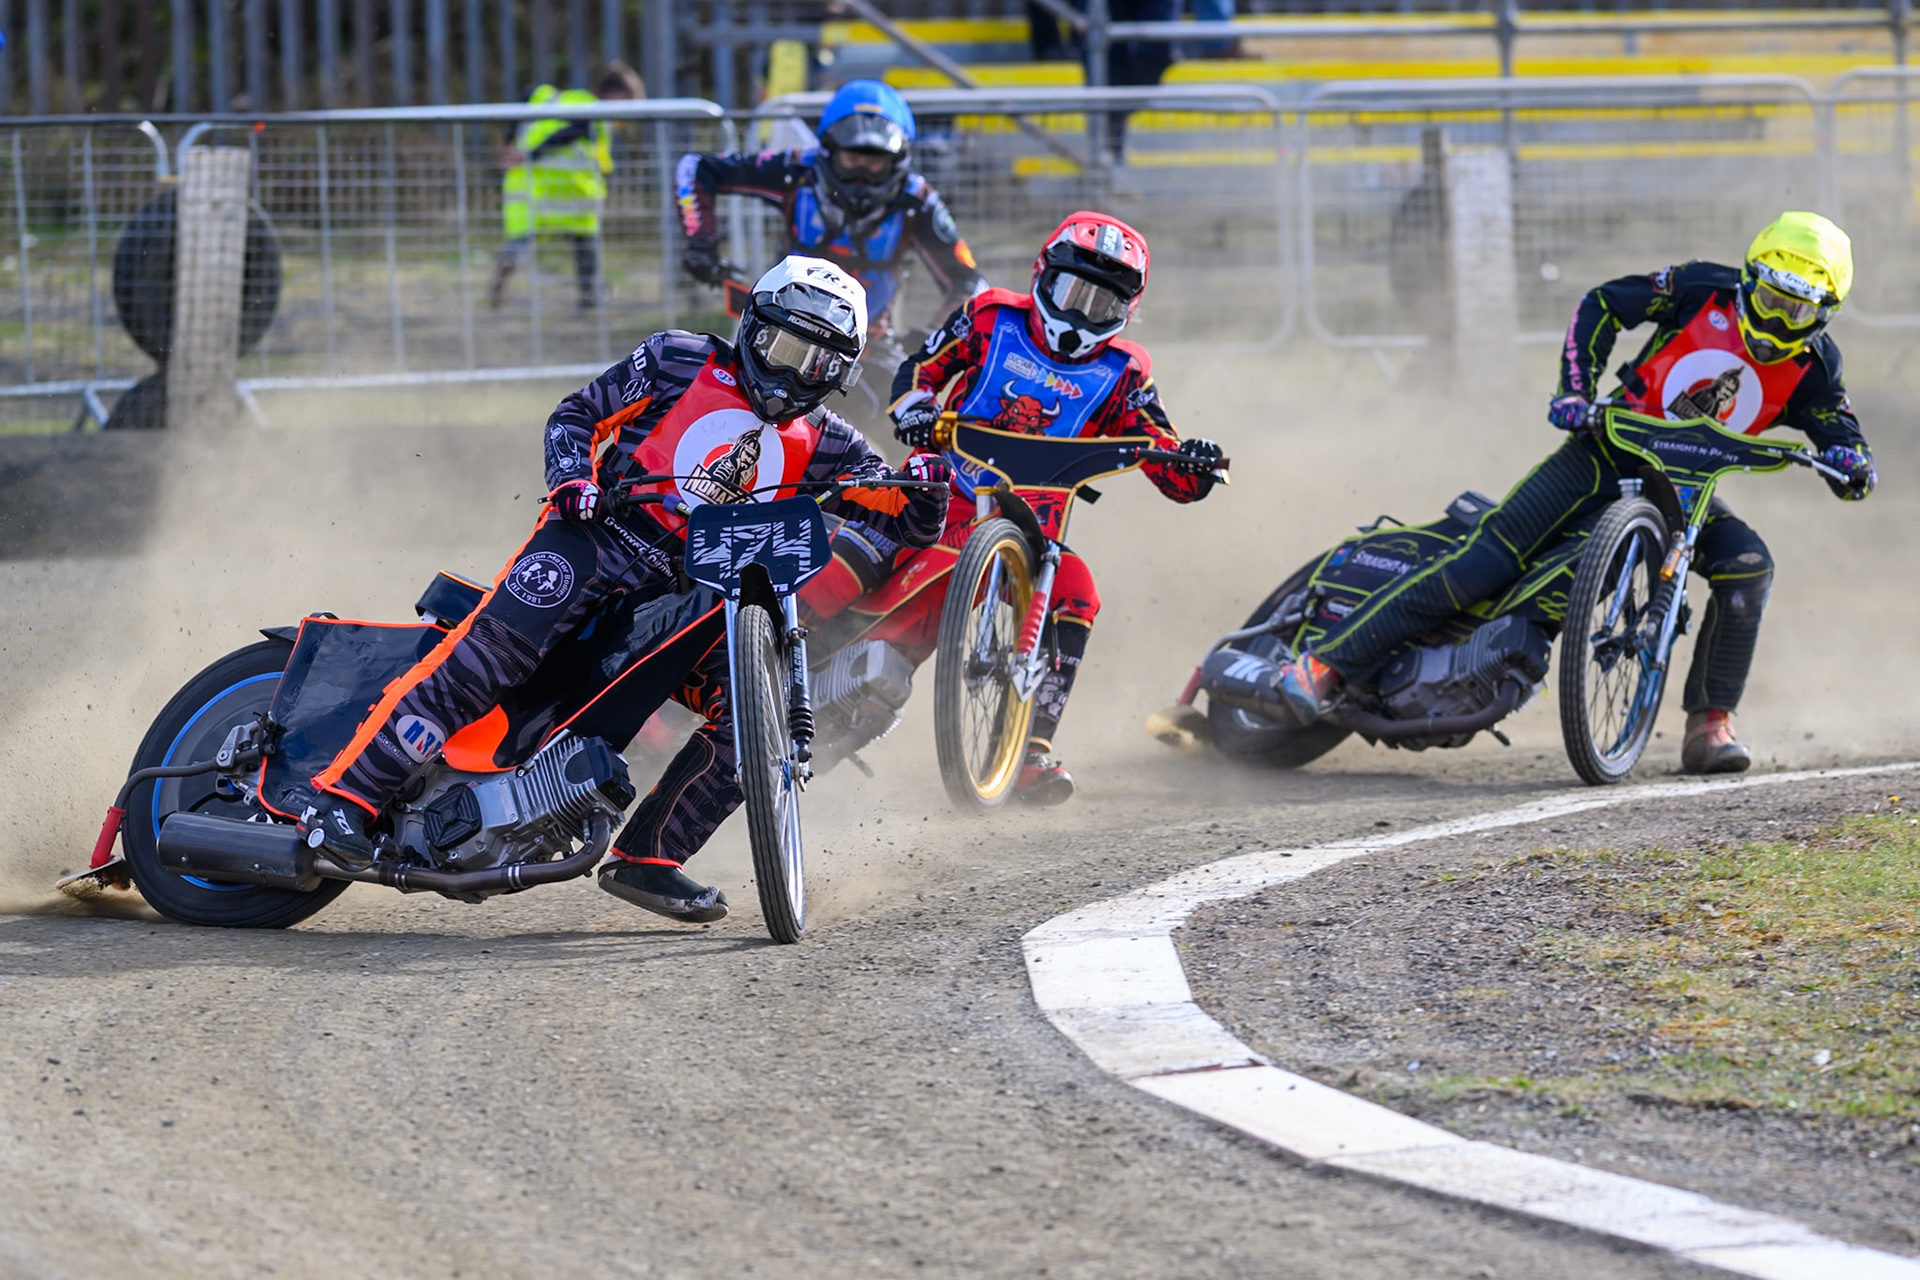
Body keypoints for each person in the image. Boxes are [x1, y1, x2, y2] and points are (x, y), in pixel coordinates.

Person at [302, 257, 952, 922]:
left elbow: (908, 516)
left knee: (762, 713)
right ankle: (340, 802)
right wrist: (571, 482)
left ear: (839, 377)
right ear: (754, 326)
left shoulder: (828, 442)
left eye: (817, 365)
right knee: (490, 659)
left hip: (684, 598)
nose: (791, 376)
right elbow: (576, 415)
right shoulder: (678, 358)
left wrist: (928, 480)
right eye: (784, 349)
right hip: (592, 542)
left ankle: (649, 858)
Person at [1276, 212, 1878, 775]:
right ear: (1750, 280)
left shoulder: (1817, 367)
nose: (1777, 321)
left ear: (1825, 315)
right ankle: (1327, 662)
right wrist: (1575, 388)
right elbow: (1603, 304)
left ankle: (1710, 725)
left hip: (1684, 495)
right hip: (1599, 453)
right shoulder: (1699, 289)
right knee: (1484, 562)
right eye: (1772, 300)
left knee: (1749, 566)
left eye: (1797, 313)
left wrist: (1852, 465)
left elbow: (1840, 433)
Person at [800, 212, 1225, 804]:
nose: (1081, 313)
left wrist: (1193, 463)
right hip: (938, 494)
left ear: (1126, 312)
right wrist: (915, 408)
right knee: (828, 586)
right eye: (1074, 292)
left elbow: (1167, 461)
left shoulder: (1127, 372)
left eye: (1102, 304)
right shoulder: (990, 314)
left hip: (1031, 537)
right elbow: (919, 372)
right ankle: (715, 676)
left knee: (1079, 592)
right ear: (1042, 276)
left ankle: (1029, 749)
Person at [674, 79, 983, 340]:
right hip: (778, 332)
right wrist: (702, 243)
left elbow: (970, 283)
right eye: (852, 159)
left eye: (874, 162)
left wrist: (936, 339)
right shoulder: (795, 170)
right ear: (830, 151)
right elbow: (697, 167)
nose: (861, 175)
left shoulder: (917, 201)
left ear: (897, 160)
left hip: (866, 348)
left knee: (886, 407)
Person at [489, 61, 644, 312]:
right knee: (585, 244)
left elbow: (525, 96)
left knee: (520, 240)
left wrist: (509, 141)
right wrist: (530, 154)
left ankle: (506, 269)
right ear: (616, 96)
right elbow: (571, 132)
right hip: (574, 190)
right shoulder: (593, 110)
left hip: (529, 185)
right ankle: (590, 296)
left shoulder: (548, 96)